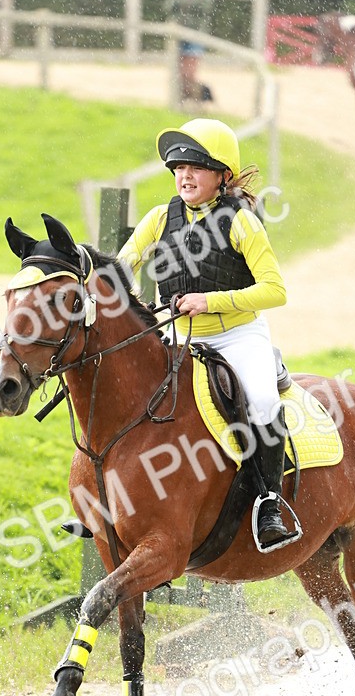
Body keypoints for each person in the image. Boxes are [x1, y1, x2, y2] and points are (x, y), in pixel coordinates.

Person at [117, 118, 292, 549]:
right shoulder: (159, 219)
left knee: (265, 399)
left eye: (196, 167)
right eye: (178, 168)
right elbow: (121, 270)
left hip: (237, 336)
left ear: (222, 176)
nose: (185, 176)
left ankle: (269, 502)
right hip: (178, 339)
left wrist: (208, 301)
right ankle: (112, 502)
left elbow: (275, 291)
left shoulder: (242, 222)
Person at [171, 0, 213, 103]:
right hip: (179, 36)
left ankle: (197, 99)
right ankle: (183, 100)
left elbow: (205, 10)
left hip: (196, 37)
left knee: (190, 72)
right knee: (181, 73)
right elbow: (169, 9)